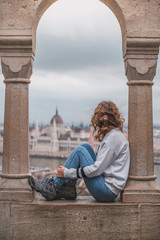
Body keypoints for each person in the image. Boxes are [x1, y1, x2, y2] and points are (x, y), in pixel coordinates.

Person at [28, 101, 130, 202]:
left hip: (106, 192)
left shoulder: (113, 139)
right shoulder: (114, 135)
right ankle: (69, 187)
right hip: (107, 187)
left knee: (80, 151)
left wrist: (67, 173)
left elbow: (97, 170)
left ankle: (53, 186)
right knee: (85, 146)